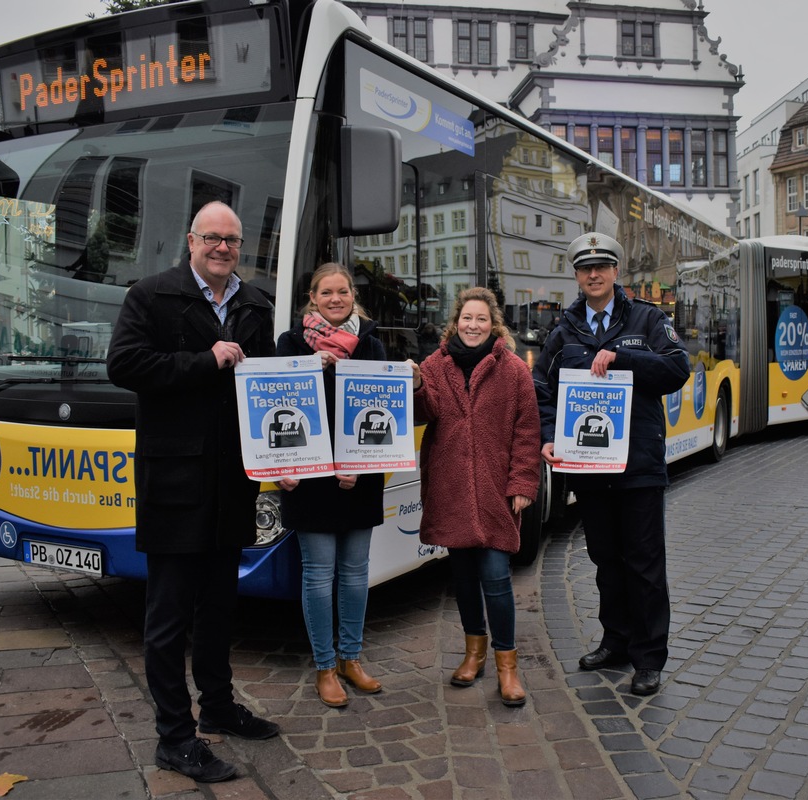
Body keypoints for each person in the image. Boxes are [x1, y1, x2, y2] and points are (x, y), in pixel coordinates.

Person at [107, 201, 278, 783]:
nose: (222, 248)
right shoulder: (150, 296)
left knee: (220, 607)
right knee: (168, 617)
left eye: (231, 241)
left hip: (234, 480)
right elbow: (125, 365)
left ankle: (220, 708)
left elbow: (273, 382)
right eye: (212, 238)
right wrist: (204, 361)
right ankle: (174, 738)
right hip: (175, 482)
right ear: (192, 240)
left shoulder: (256, 304)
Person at [535, 233, 690, 697]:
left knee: (644, 564)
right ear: (577, 275)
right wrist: (547, 436)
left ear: (616, 271)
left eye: (602, 266)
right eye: (585, 268)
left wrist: (624, 357)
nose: (594, 274)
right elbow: (541, 386)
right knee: (605, 560)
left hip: (639, 465)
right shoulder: (564, 330)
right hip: (589, 467)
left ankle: (648, 658)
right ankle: (616, 641)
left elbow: (677, 368)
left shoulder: (648, 317)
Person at [410, 287, 540, 706]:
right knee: (463, 578)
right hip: (450, 486)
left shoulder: (514, 370)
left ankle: (508, 666)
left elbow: (527, 430)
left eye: (481, 318)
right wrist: (413, 387)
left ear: (493, 324)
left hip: (494, 490)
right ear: (456, 321)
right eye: (467, 318)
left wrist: (522, 483)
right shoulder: (434, 365)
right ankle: (473, 653)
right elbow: (422, 413)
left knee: (497, 578)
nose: (473, 325)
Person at [276, 263, 387, 708]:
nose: (336, 298)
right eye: (327, 292)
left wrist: (362, 464)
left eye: (343, 291)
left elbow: (384, 414)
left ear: (352, 296)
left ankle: (351, 659)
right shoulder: (291, 344)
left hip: (357, 476)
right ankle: (325, 666)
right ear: (313, 297)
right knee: (319, 576)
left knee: (356, 574)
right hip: (309, 477)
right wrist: (279, 463)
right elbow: (274, 405)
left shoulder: (372, 345)